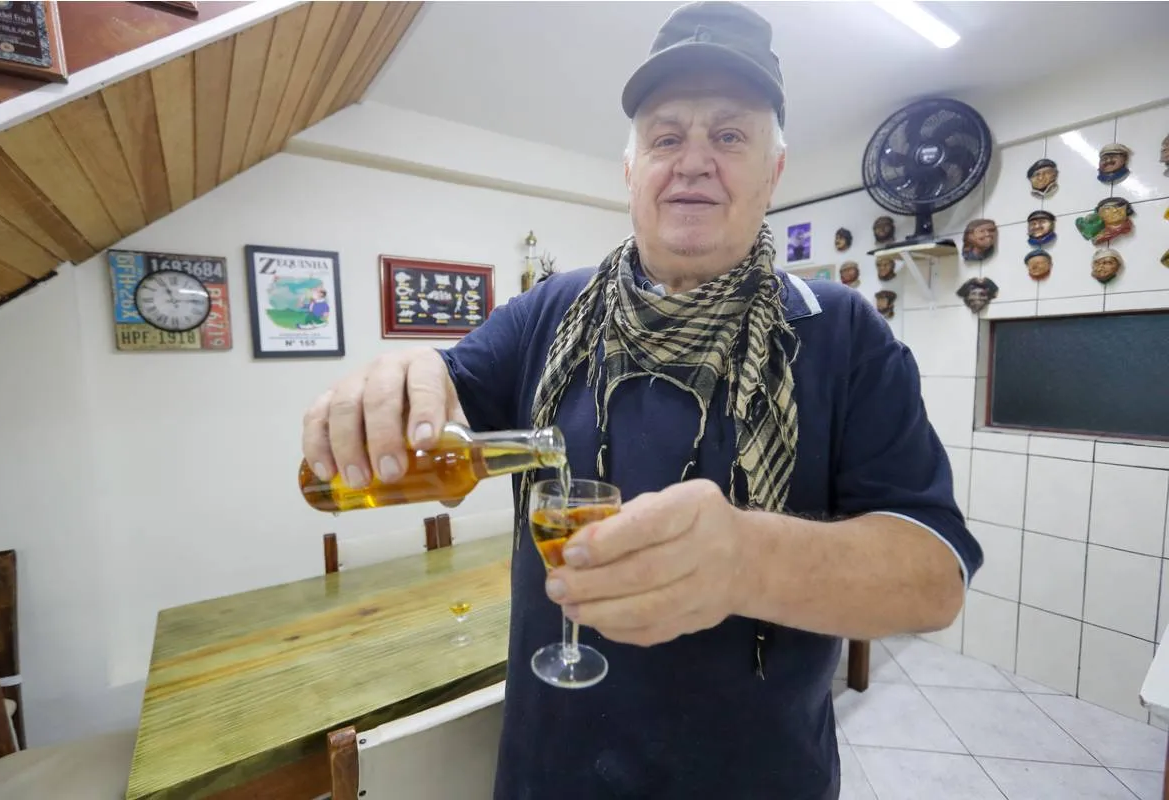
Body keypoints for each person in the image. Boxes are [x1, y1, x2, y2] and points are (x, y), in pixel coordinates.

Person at [300, 2, 981, 798]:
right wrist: (399, 383)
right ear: (631, 171)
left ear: (774, 172)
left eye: (729, 136)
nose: (693, 161)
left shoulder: (842, 332)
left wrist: (749, 559)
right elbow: (445, 389)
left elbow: (935, 579)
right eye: (666, 136)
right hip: (547, 776)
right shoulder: (549, 313)